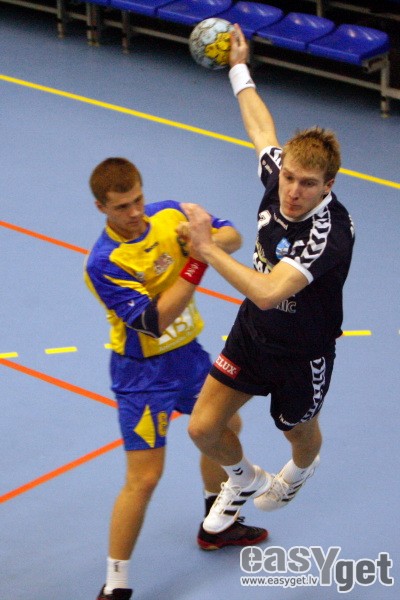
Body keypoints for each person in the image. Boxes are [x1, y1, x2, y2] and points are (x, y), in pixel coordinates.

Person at [184, 24, 355, 536]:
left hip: (303, 353)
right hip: (253, 334)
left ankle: (300, 473)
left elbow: (267, 290)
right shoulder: (280, 176)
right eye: (289, 177)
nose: (293, 191)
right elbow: (261, 128)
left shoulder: (329, 232)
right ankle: (243, 478)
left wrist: (207, 248)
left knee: (299, 434)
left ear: (328, 186)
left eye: (308, 184)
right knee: (202, 428)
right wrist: (239, 68)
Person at [84, 157, 268, 600]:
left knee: (224, 427)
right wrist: (197, 259)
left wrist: (203, 240)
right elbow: (154, 321)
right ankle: (116, 584)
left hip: (189, 358)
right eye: (122, 207)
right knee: (145, 479)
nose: (135, 212)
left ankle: (216, 522)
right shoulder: (104, 262)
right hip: (142, 375)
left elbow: (233, 236)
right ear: (101, 208)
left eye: (138, 199)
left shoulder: (169, 213)